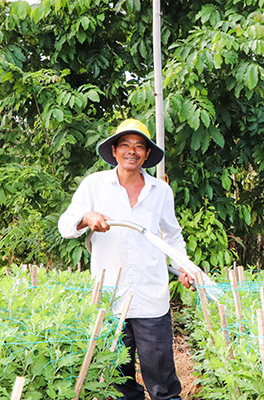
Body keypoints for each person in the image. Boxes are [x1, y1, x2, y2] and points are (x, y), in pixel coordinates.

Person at [58, 118, 194, 400]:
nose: (132, 151)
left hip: (151, 297)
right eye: (125, 145)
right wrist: (87, 218)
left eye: (139, 146)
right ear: (115, 151)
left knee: (162, 381)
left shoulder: (160, 191)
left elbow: (171, 237)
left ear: (146, 154)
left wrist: (183, 268)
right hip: (111, 299)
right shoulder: (94, 185)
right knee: (119, 382)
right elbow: (65, 225)